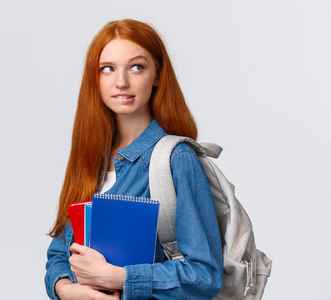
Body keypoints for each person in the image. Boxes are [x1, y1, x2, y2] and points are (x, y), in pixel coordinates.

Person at [45, 19, 223, 300]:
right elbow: (59, 252)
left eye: (137, 67)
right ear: (96, 78)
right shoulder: (91, 157)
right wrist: (66, 290)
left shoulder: (177, 158)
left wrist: (119, 277)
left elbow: (205, 274)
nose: (121, 82)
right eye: (108, 69)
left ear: (157, 76)